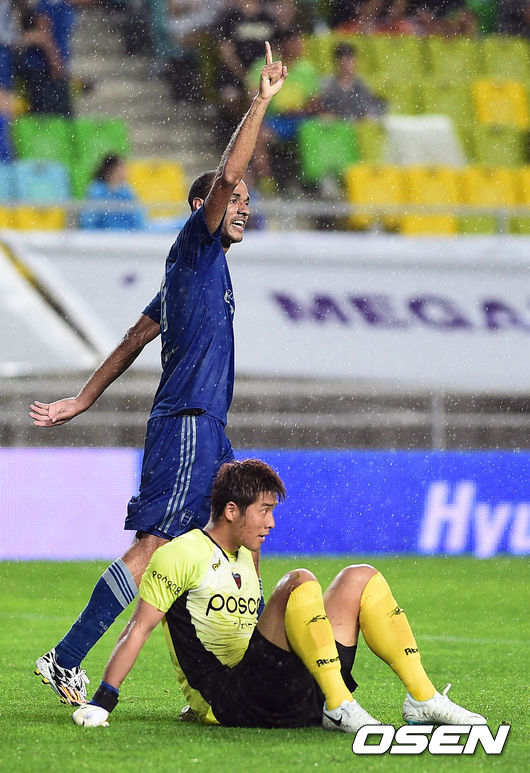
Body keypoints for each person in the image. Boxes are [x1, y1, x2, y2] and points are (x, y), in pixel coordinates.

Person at [31, 40, 288, 707]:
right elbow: (227, 173)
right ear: (205, 208)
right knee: (153, 547)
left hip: (209, 429)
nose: (243, 207)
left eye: (246, 202)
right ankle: (66, 657)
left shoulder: (194, 275)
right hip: (186, 426)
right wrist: (259, 102)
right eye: (234, 201)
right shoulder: (194, 248)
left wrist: (82, 398)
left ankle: (222, 675)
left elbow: (132, 338)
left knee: (234, 542)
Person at [71, 458, 487, 731]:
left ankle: (421, 698)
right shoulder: (180, 553)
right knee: (298, 581)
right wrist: (103, 701)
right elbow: (139, 628)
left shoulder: (246, 554)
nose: (271, 523)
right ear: (231, 510)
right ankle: (339, 705)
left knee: (360, 576)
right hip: (231, 700)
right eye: (264, 510)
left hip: (286, 691)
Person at [79, 154, 146, 231]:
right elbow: (89, 220)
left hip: (126, 234)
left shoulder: (126, 191)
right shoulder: (97, 191)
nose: (125, 172)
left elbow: (138, 219)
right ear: (111, 170)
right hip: (101, 235)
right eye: (121, 168)